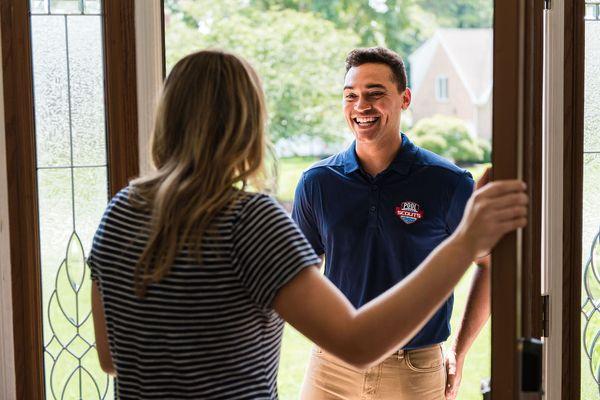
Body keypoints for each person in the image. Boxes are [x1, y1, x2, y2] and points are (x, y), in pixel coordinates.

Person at [89, 49, 527, 400]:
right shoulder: (251, 219)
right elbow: (357, 343)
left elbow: (112, 357)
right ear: (245, 122)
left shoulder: (119, 213)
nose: (360, 106)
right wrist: (464, 242)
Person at [292, 47, 490, 400]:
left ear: (405, 98)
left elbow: (491, 264)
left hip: (414, 370)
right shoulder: (318, 183)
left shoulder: (448, 183)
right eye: (350, 96)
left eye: (375, 94)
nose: (361, 106)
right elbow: (294, 276)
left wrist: (458, 351)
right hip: (330, 369)